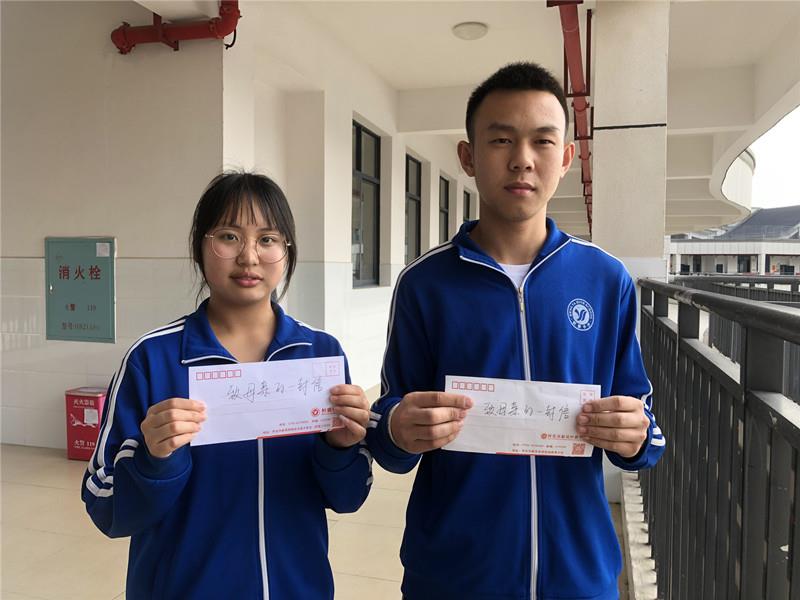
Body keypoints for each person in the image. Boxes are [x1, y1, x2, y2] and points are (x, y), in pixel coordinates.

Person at [366, 62, 666, 600]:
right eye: (501, 139)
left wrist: (636, 434)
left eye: (542, 141)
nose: (522, 159)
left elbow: (641, 418)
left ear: (566, 158)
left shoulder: (605, 279)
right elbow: (388, 421)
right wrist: (395, 428)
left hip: (577, 575)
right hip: (454, 577)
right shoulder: (425, 284)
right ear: (468, 157)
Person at [82, 172, 372, 600]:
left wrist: (341, 449)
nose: (249, 257)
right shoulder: (152, 359)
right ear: (201, 246)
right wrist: (153, 460)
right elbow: (105, 507)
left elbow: (347, 499)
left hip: (296, 588)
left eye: (268, 239)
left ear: (287, 250)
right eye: (229, 237)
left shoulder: (320, 355)